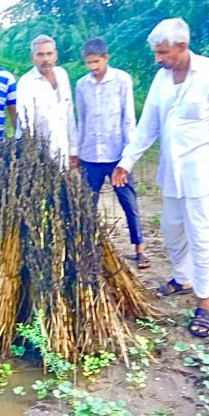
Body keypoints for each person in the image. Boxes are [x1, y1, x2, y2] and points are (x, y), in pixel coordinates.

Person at [112, 18, 209, 339]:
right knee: (172, 230)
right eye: (157, 53)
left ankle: (203, 302)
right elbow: (148, 126)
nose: (158, 59)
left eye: (162, 52)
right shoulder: (161, 79)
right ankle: (182, 279)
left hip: (201, 173)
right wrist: (126, 162)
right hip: (171, 174)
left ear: (182, 47)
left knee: (200, 235)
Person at [75, 39, 148, 268]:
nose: (92, 67)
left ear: (106, 58)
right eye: (88, 63)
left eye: (96, 62)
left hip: (116, 154)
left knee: (129, 203)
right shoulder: (81, 85)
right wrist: (76, 152)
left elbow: (128, 119)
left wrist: (128, 157)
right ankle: (86, 247)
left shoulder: (121, 80)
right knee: (87, 204)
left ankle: (140, 249)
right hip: (90, 156)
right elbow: (82, 120)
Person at [15, 35, 78, 167]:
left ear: (55, 55)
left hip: (64, 153)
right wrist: (31, 158)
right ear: (32, 57)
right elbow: (26, 124)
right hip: (39, 157)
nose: (46, 59)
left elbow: (69, 115)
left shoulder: (62, 75)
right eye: (40, 55)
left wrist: (73, 150)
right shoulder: (26, 83)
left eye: (49, 54)